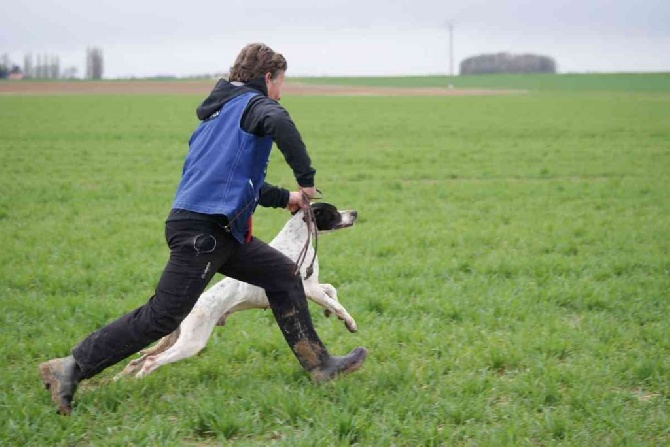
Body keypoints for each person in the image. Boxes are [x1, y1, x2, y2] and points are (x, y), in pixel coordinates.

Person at [39, 43, 367, 416]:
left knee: (283, 275)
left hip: (219, 230)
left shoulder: (216, 117)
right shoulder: (255, 106)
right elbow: (277, 120)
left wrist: (287, 197)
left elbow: (237, 183)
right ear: (266, 78)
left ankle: (320, 365)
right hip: (203, 233)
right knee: (162, 316)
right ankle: (70, 366)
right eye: (280, 83)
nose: (281, 92)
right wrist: (306, 180)